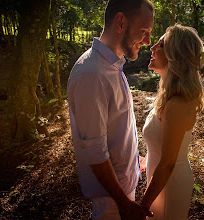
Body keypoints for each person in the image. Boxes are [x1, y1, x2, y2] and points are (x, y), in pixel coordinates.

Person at [67, 0, 154, 219]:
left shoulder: (113, 66)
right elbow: (95, 151)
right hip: (112, 202)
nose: (147, 41)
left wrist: (134, 158)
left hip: (122, 191)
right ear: (121, 22)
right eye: (144, 31)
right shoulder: (92, 74)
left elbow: (116, 129)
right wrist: (124, 204)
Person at [140, 24, 204, 219]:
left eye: (160, 45)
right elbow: (164, 143)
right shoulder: (169, 96)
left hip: (170, 183)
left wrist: (143, 205)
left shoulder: (178, 104)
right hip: (160, 177)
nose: (152, 47)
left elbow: (168, 162)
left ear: (174, 55)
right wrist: (147, 157)